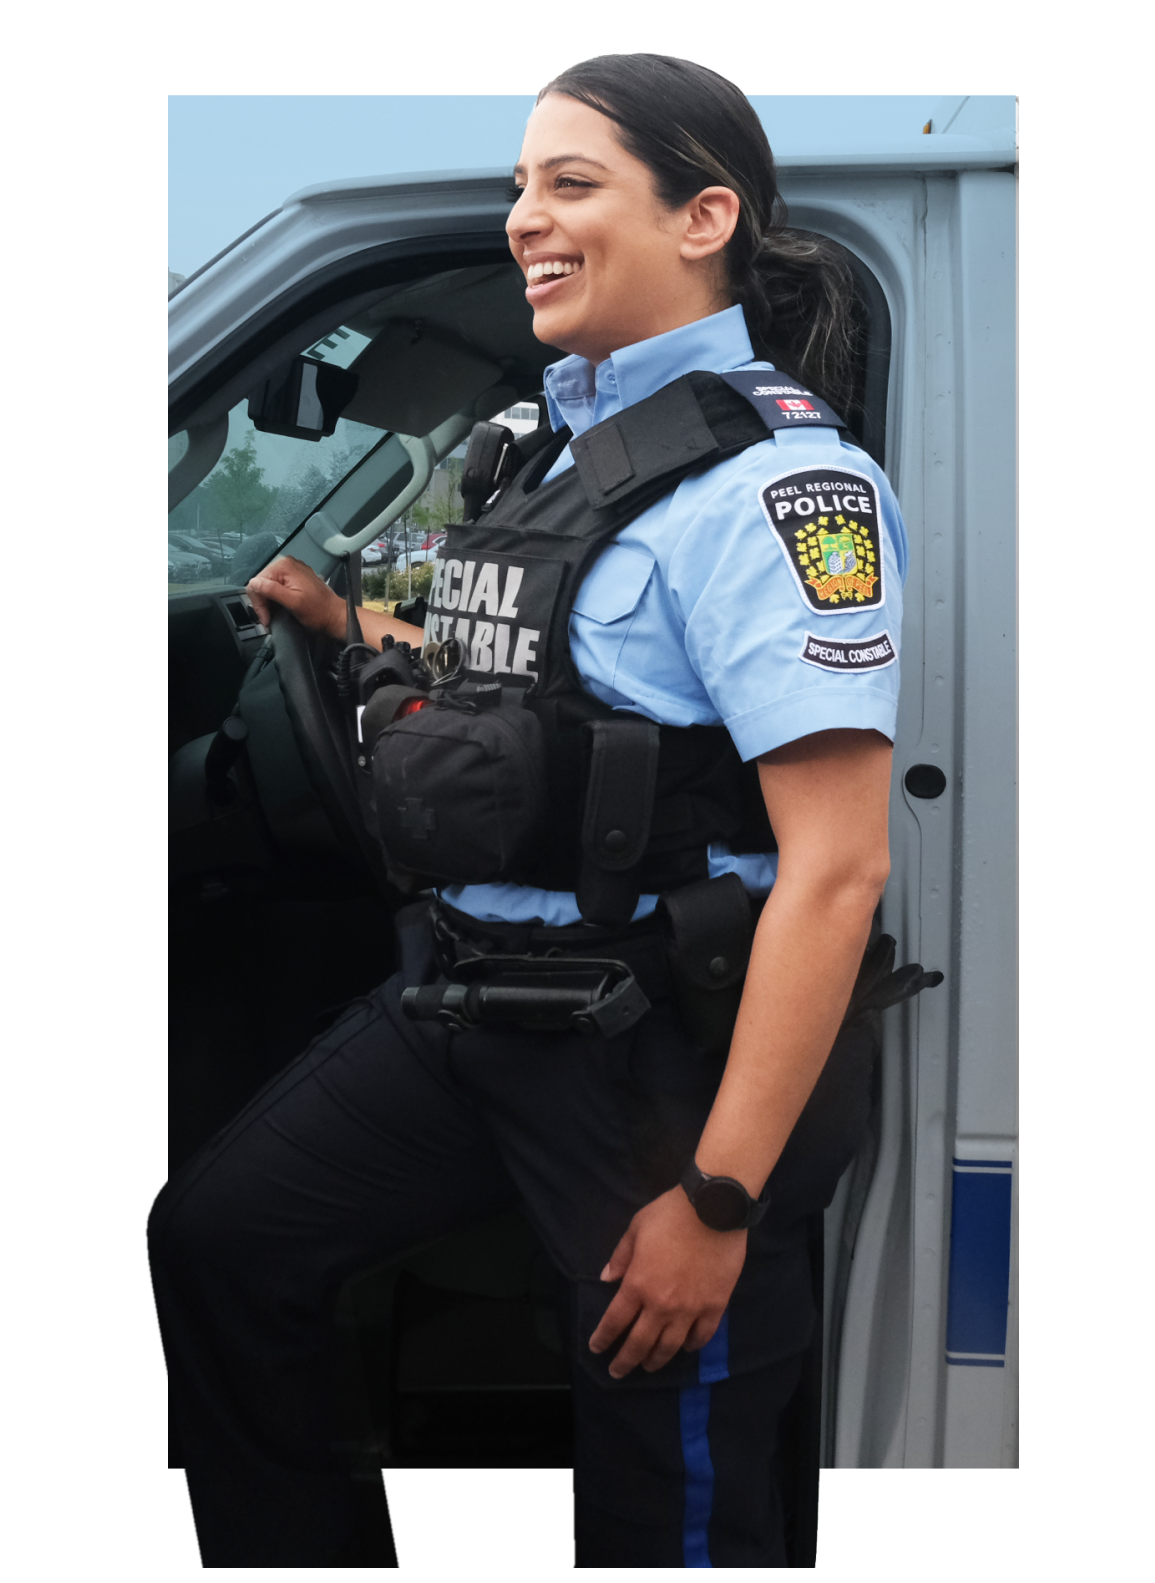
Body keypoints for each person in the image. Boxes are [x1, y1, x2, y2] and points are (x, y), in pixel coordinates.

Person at [151, 56, 912, 1568]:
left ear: (705, 218)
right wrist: (339, 627)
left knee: (665, 1477)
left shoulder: (776, 491)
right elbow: (538, 690)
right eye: (518, 185)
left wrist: (717, 1197)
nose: (524, 218)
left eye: (571, 184)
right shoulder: (552, 452)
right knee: (223, 1246)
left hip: (651, 1059)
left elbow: (835, 871)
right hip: (466, 1007)